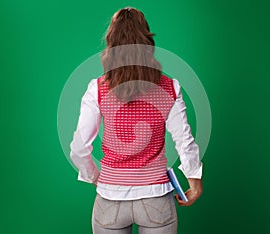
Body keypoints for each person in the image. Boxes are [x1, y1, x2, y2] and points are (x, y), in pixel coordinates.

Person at [70, 7, 203, 234]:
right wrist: (194, 181)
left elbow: (79, 149)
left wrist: (95, 178)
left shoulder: (98, 89)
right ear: (147, 41)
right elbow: (184, 139)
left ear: (111, 42)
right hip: (156, 199)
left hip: (109, 200)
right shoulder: (169, 87)